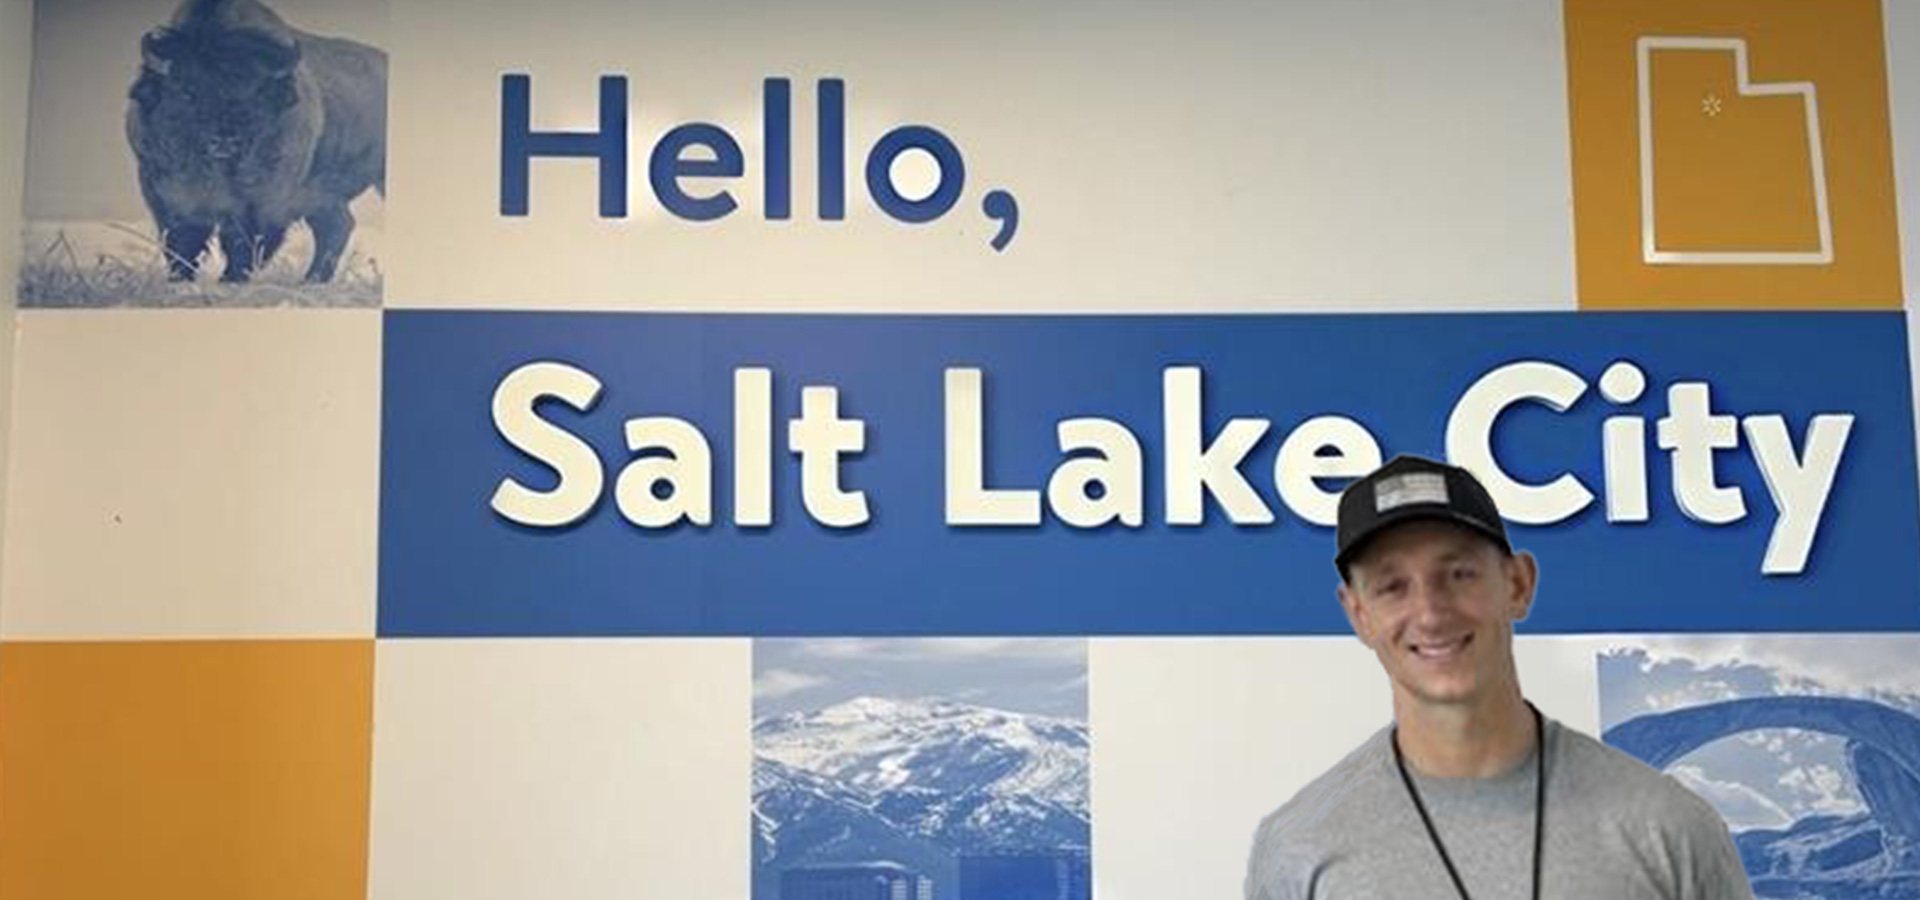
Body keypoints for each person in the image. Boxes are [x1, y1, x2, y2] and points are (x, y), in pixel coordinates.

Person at [1244, 455, 1753, 900]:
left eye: (1459, 573)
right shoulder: (1299, 845)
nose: (1430, 612)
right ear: (1358, 615)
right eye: (1391, 586)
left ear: (1518, 584)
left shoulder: (1670, 827)